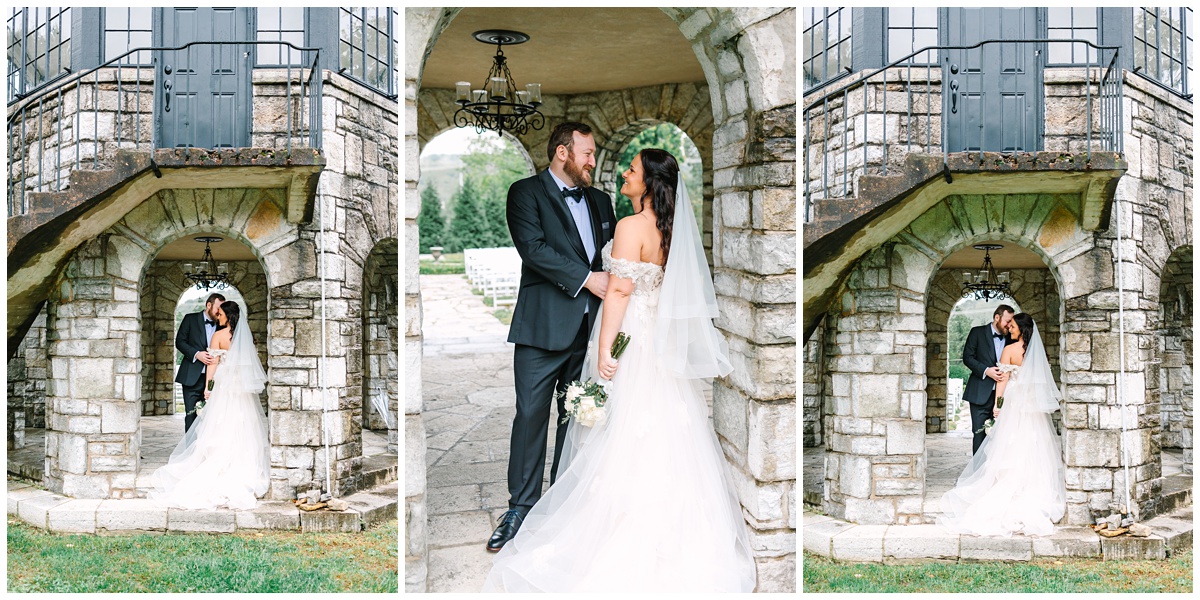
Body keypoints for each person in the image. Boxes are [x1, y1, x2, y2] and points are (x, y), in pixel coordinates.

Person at [483, 149, 756, 592]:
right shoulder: (668, 229)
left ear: (648, 183)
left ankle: (606, 526)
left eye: (631, 170)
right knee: (661, 429)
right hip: (650, 343)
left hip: (626, 336)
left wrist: (606, 348)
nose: (621, 173)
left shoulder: (628, 224)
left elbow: (621, 293)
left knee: (617, 431)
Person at [489, 122, 617, 551]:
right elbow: (534, 249)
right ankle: (520, 509)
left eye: (593, 153)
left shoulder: (601, 201)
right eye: (587, 153)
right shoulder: (524, 193)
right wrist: (588, 280)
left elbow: (613, 255)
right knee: (530, 415)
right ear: (562, 152)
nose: (592, 161)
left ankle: (562, 502)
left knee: (578, 417)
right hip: (541, 328)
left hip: (590, 330)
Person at [938, 313, 1066, 537]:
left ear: (1022, 329)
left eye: (1014, 326)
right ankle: (1031, 490)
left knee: (1009, 445)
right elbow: (1038, 382)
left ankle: (1006, 487)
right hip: (1031, 408)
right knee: (1032, 446)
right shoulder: (1039, 353)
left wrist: (998, 405)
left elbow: (1003, 380)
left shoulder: (1010, 350)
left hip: (1015, 404)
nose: (1010, 330)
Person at [150, 300, 270, 510]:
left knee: (219, 425)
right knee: (241, 426)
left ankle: (214, 463)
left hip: (224, 388)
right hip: (240, 391)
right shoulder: (244, 338)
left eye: (221, 314)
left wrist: (209, 388)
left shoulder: (218, 336)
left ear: (227, 316)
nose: (218, 317)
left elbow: (213, 365)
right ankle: (241, 467)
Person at [961, 304, 1016, 454]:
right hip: (980, 394)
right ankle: (977, 474)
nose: (1009, 325)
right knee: (979, 434)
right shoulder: (976, 332)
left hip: (1005, 395)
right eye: (1007, 321)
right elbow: (967, 358)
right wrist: (986, 371)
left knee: (1002, 435)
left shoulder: (1012, 337)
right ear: (997, 318)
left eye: (1012, 321)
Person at [174, 292, 225, 432]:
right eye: (218, 308)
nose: (220, 312)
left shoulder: (222, 325)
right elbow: (180, 342)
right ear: (209, 305)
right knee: (191, 416)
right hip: (191, 378)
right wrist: (197, 354)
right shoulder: (190, 319)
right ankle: (190, 452)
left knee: (212, 417)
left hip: (215, 379)